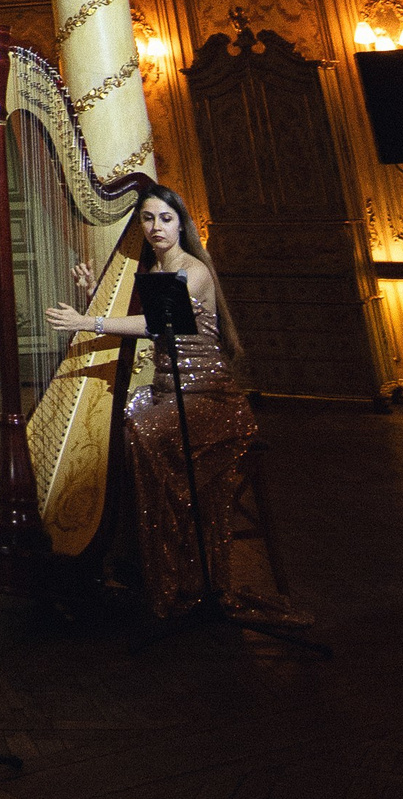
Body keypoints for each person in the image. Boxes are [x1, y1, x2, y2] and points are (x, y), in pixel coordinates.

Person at [46, 182, 297, 623]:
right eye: (148, 219)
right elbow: (135, 320)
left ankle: (172, 565)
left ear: (181, 224)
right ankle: (134, 560)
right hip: (167, 391)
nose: (156, 227)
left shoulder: (193, 271)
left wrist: (87, 320)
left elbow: (154, 324)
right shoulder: (150, 270)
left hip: (208, 395)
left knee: (143, 432)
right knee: (119, 427)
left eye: (165, 218)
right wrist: (92, 292)